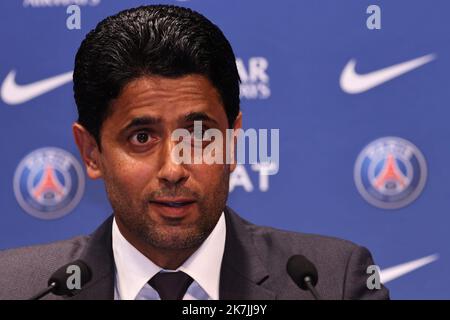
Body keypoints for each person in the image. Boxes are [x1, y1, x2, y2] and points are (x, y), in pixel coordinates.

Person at [0, 5, 389, 300]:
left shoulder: (329, 283)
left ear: (233, 141)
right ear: (91, 153)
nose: (173, 168)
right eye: (141, 138)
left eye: (200, 134)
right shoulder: (16, 288)